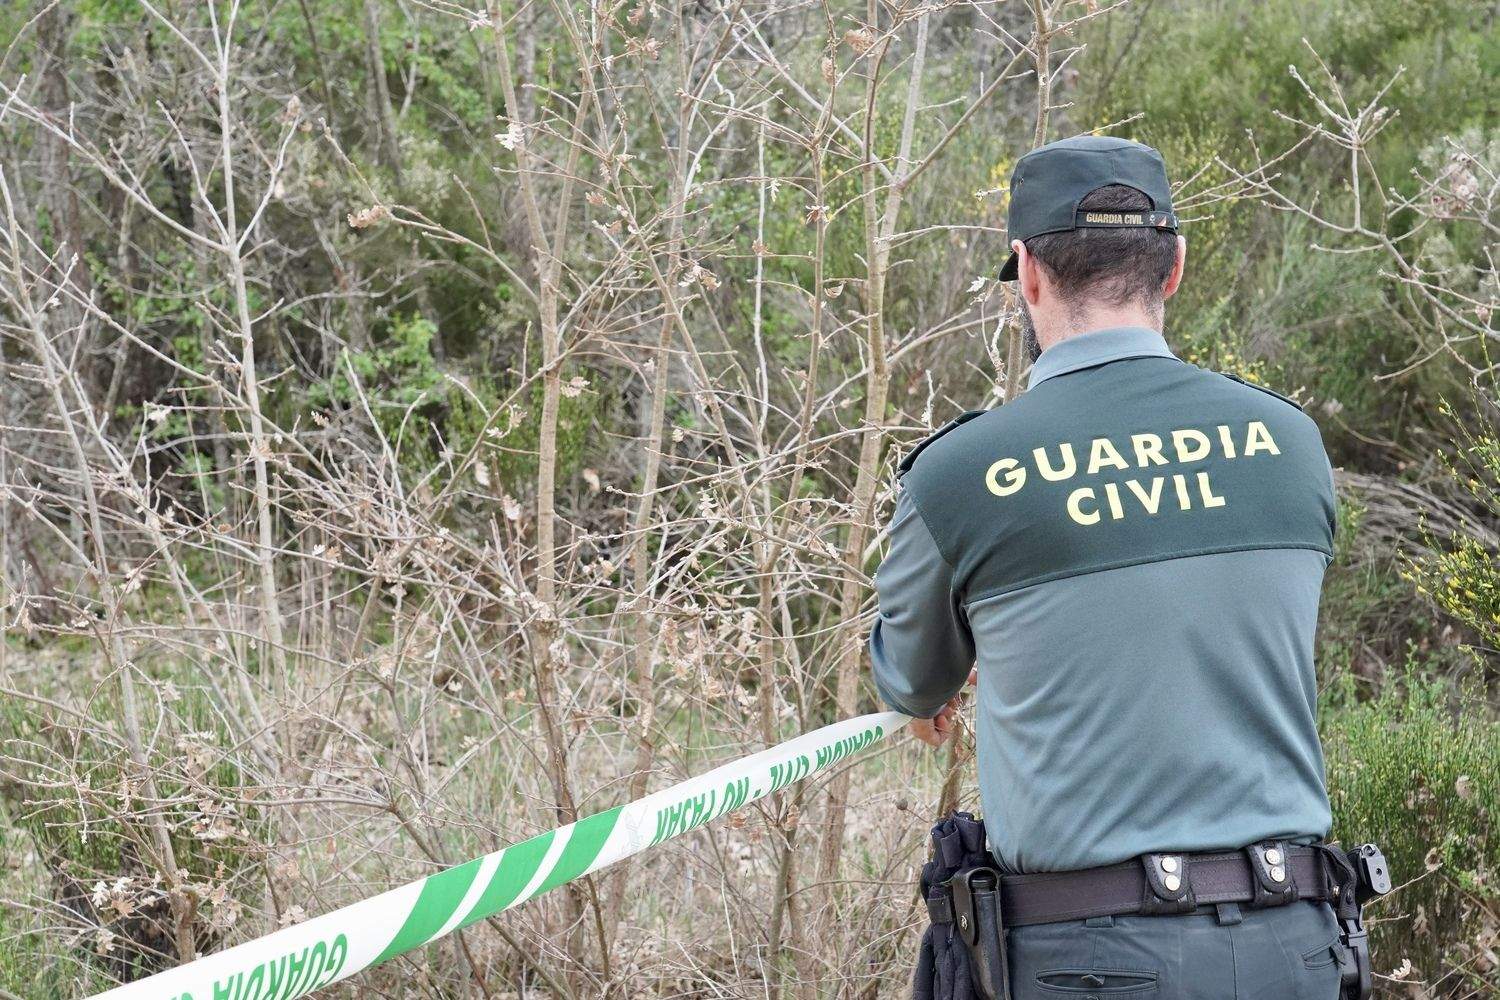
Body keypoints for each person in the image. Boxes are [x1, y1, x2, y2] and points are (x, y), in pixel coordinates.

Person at [871, 135, 1356, 999]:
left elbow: (912, 681)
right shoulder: (1290, 444)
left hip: (1090, 960)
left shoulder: (960, 474)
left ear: (1028, 273)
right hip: (1299, 947)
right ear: (1174, 268)